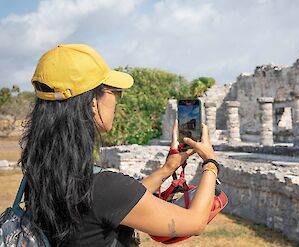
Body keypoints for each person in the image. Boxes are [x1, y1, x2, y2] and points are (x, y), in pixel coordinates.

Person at [20, 44, 220, 246]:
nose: (116, 101)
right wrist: (210, 162)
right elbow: (195, 222)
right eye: (115, 92)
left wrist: (167, 169)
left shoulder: (43, 172)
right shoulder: (103, 188)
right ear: (92, 102)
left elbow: (119, 201)